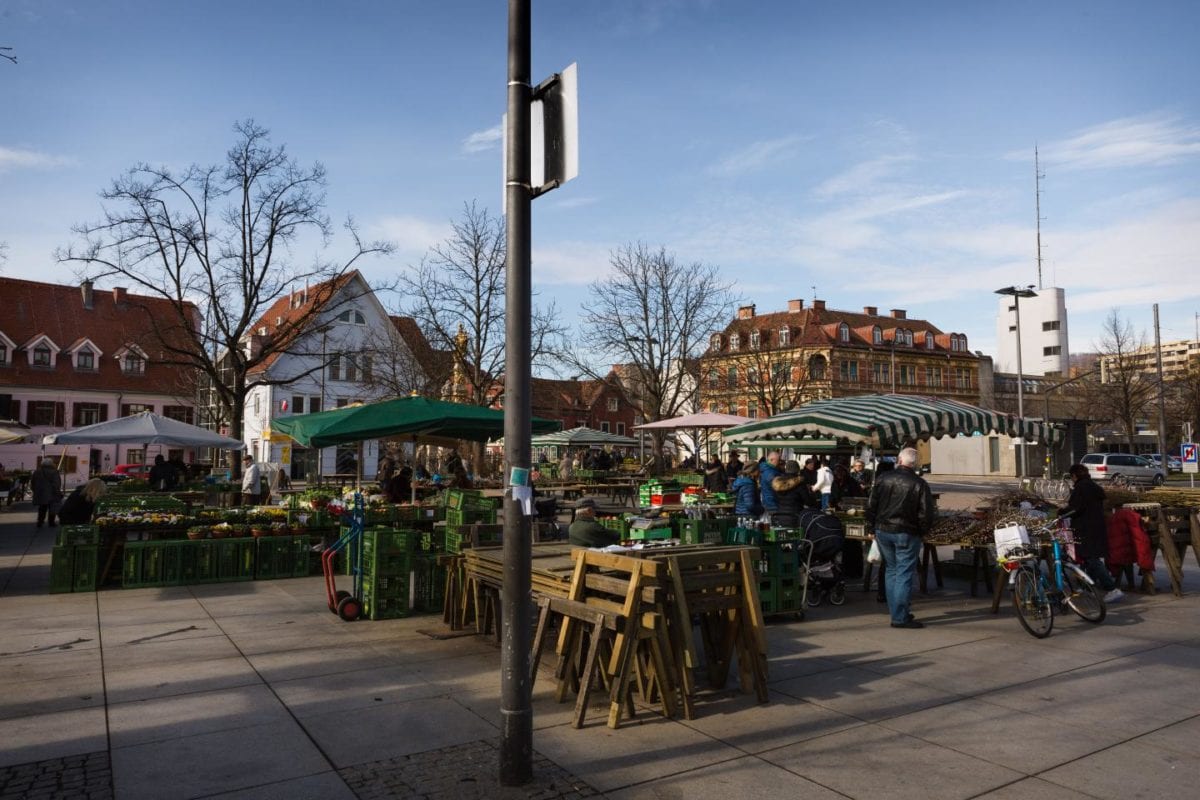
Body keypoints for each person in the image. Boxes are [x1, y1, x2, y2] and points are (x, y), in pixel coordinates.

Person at [865, 447, 934, 629]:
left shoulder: (883, 478)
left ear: (899, 460)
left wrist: (871, 527)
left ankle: (896, 613)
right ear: (915, 464)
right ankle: (899, 617)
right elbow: (926, 514)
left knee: (892, 570)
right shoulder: (919, 483)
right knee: (903, 573)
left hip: (883, 530)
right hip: (906, 532)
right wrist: (922, 531)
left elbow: (871, 505)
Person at [1059, 463, 1122, 602]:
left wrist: (1061, 512)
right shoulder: (1094, 486)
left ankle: (1111, 588)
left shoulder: (1080, 488)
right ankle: (1086, 587)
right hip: (1097, 527)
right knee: (1088, 559)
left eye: (1072, 477)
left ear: (1074, 476)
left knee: (1092, 559)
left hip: (1085, 528)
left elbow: (1075, 509)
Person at [771, 460, 815, 525]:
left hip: (779, 516)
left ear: (786, 469)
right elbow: (808, 501)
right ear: (797, 470)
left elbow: (774, 499)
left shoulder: (778, 483)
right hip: (796, 517)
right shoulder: (800, 484)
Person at [31, 457, 64, 528]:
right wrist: (58, 491)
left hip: (41, 493)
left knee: (42, 507)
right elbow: (57, 483)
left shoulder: (37, 472)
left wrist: (35, 490)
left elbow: (33, 482)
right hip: (52, 493)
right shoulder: (54, 472)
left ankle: (40, 521)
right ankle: (51, 522)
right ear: (51, 463)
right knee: (52, 507)